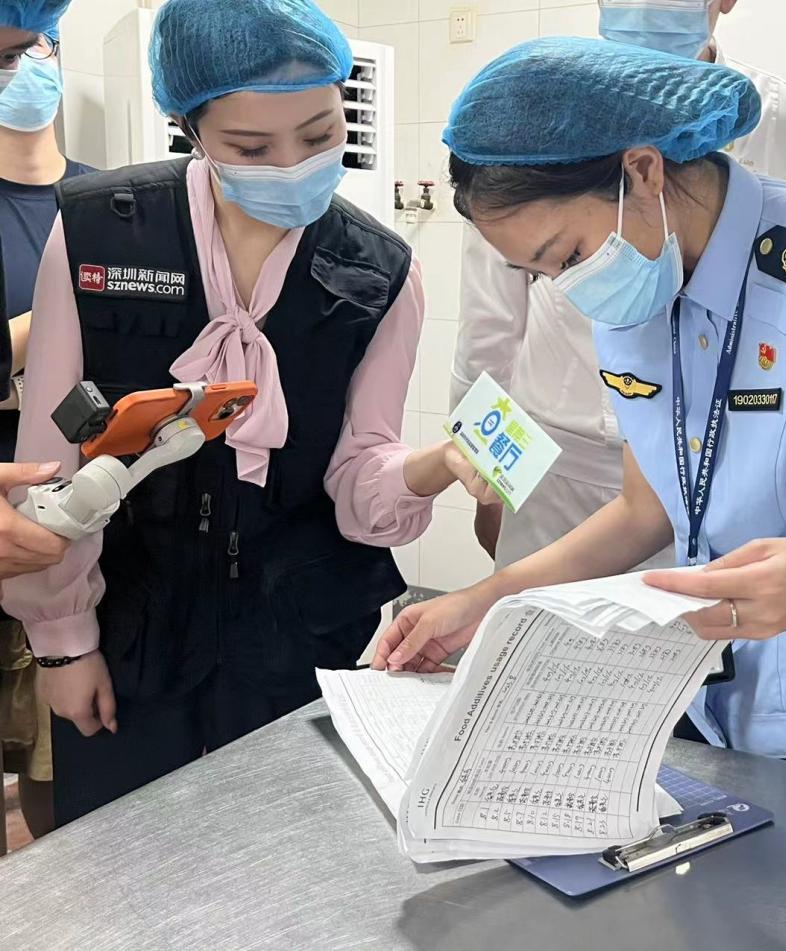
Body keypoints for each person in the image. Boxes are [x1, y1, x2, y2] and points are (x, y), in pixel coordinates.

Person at [377, 37, 786, 794]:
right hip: (710, 698)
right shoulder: (635, 281)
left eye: (567, 256)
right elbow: (646, 508)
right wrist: (484, 600)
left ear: (642, 170)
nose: (567, 287)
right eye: (539, 273)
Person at [2, 0, 497, 825]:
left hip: (297, 632)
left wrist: (432, 466)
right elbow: (51, 463)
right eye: (251, 148)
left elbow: (358, 476)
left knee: (285, 854)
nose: (292, 164)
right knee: (124, 851)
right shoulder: (97, 232)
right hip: (129, 625)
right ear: (189, 128)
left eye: (320, 132)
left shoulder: (380, 270)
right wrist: (62, 641)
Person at [451, 0, 786, 570]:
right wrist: (487, 471)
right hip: (558, 459)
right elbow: (489, 326)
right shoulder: (534, 112)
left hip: (716, 455)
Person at [0, 0, 91, 839]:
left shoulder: (111, 203)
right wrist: (51, 321)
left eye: (37, 47)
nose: (26, 68)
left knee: (54, 764)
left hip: (68, 527)